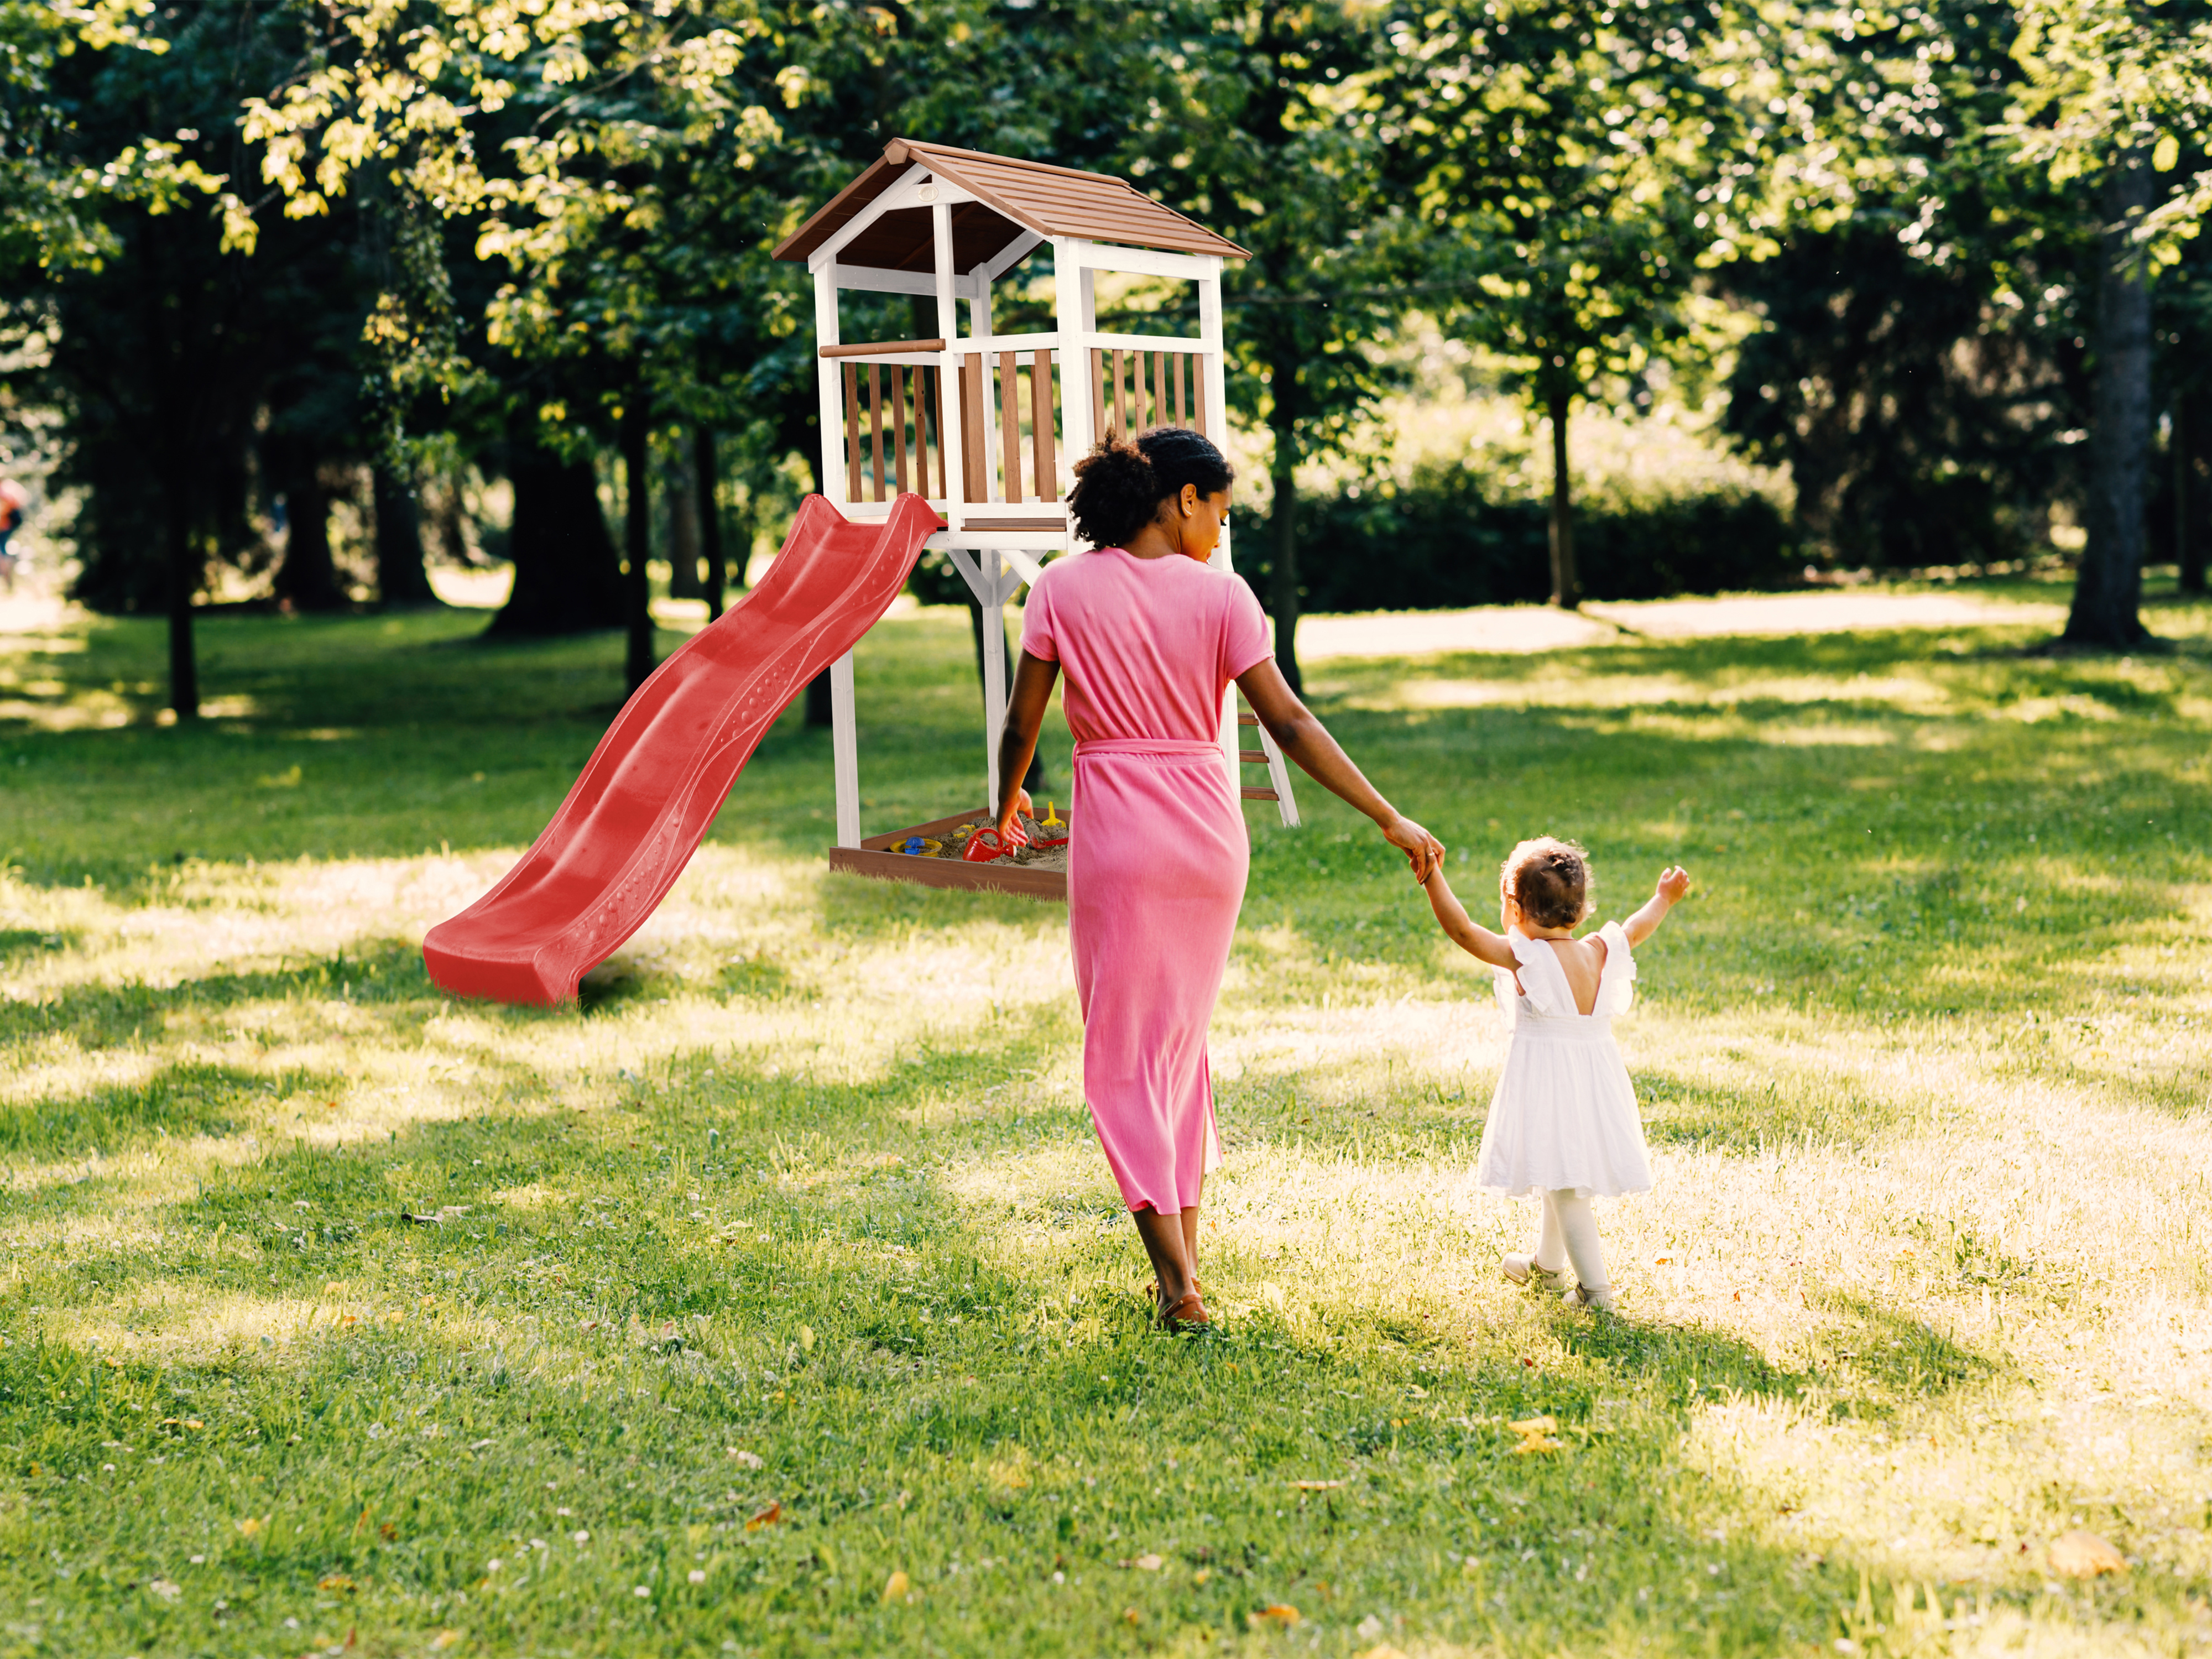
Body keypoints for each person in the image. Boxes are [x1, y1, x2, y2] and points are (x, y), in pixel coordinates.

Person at [991, 427, 1443, 1331]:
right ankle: (1185, 1268)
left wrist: (1002, 808)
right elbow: (1290, 723)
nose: (1221, 533)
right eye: (1222, 513)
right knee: (1177, 1052)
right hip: (1208, 839)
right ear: (1183, 499)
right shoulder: (1225, 598)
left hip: (1118, 839)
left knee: (1123, 1058)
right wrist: (1386, 813)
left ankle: (1177, 1287)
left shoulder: (1059, 589)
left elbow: (1021, 725)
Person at [1418, 838, 1691, 1311]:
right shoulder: (1599, 950)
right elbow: (1636, 927)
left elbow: (1462, 931)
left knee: (1566, 1188)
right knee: (1556, 1170)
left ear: (1515, 908)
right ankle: (1547, 1266)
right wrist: (1663, 898)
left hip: (1551, 1084)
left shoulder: (1527, 958)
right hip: (1594, 1082)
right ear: (1581, 911)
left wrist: (1431, 876)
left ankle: (1595, 1292)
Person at [0, 478, 27, 595]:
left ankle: (6, 575)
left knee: (2, 550)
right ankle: (7, 577)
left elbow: (5, 509)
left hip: (7, 524)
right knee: (3, 549)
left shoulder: (4, 491)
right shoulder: (8, 486)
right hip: (10, 523)